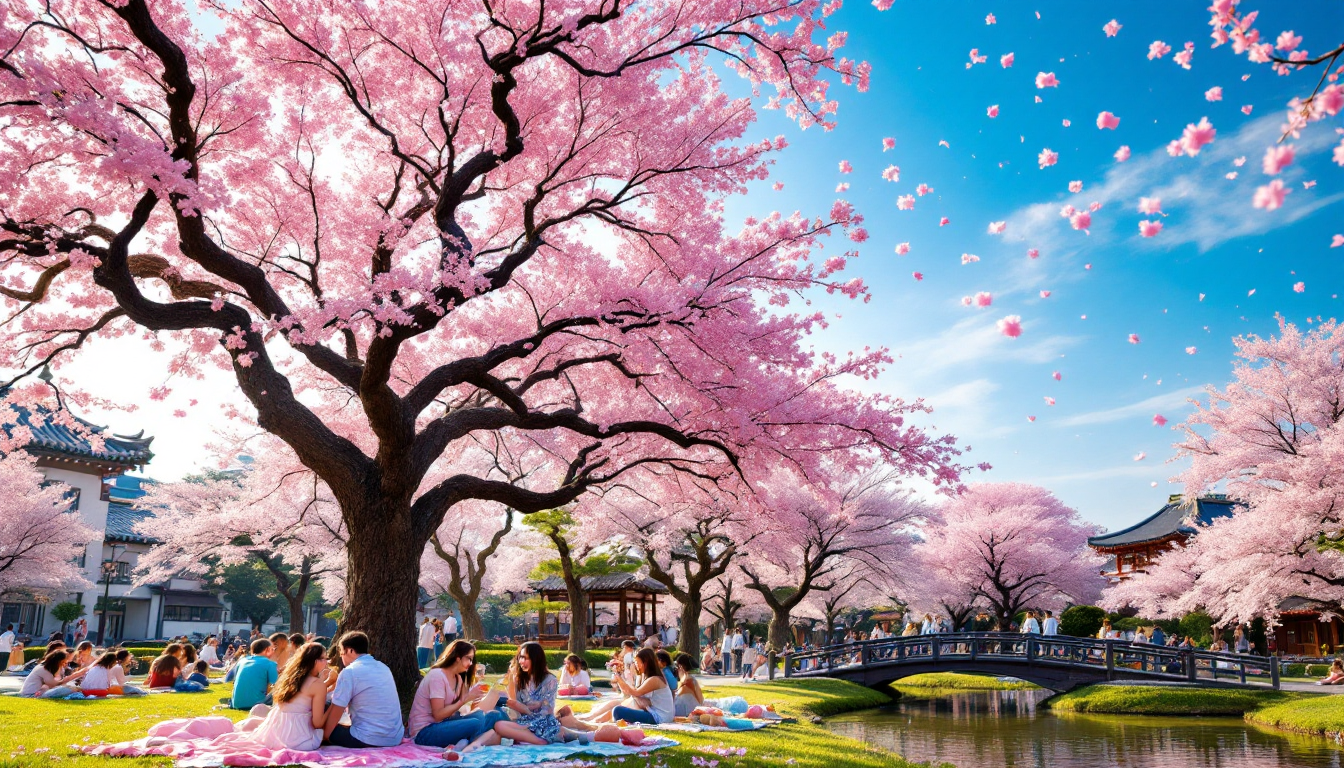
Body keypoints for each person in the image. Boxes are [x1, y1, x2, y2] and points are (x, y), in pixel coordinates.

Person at [461, 642, 562, 753]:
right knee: (494, 716)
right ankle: (471, 740)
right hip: (519, 719)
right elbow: (513, 702)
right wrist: (510, 683)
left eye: (525, 658)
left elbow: (547, 711)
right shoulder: (519, 677)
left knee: (496, 722)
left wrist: (526, 710)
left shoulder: (549, 680)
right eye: (520, 657)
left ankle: (539, 741)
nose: (521, 661)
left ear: (536, 659)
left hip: (539, 722)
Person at [410, 640, 502, 748]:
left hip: (445, 723)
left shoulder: (458, 678)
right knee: (475, 723)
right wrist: (465, 700)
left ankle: (469, 741)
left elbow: (458, 710)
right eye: (469, 658)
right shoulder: (437, 676)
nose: (471, 663)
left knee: (491, 715)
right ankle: (473, 741)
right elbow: (438, 715)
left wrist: (475, 689)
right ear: (458, 657)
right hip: (425, 731)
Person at [322, 631, 404, 748]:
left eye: (341, 652)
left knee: (323, 710)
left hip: (366, 738)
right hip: (395, 738)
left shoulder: (349, 672)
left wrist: (326, 736)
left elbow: (337, 708)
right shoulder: (384, 667)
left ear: (350, 650)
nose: (341, 656)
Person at [247, 642, 329, 751]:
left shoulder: (289, 678)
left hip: (272, 735)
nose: (326, 662)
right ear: (315, 661)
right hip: (300, 739)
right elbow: (317, 723)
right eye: (324, 658)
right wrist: (334, 704)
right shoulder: (318, 684)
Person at [609, 648, 675, 726]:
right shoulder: (647, 676)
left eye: (637, 662)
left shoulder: (654, 679)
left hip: (658, 717)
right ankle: (599, 720)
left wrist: (618, 677)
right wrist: (619, 677)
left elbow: (634, 693)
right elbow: (632, 693)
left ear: (645, 662)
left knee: (617, 711)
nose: (635, 665)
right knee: (619, 707)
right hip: (655, 714)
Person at [231, 638, 278, 709]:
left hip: (236, 703)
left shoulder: (242, 661)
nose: (274, 652)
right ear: (267, 649)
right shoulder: (270, 664)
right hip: (257, 704)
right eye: (273, 649)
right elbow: (275, 683)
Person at [20, 650, 86, 698]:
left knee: (69, 687)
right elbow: (53, 685)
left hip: (36, 693)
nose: (63, 665)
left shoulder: (44, 667)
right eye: (62, 662)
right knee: (68, 689)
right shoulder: (43, 669)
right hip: (31, 695)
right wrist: (71, 678)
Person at [672, 653, 704, 717]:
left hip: (690, 713)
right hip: (694, 710)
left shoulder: (685, 684)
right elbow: (701, 700)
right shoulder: (692, 680)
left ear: (680, 667)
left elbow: (673, 701)